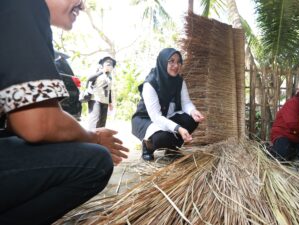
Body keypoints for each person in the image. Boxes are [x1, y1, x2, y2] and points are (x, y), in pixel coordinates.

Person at [0, 0, 129, 224]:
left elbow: (15, 122)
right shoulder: (23, 5)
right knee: (95, 162)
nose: (84, 5)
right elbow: (38, 123)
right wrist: (95, 137)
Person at [131, 48, 205, 161]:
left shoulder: (179, 81)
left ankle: (172, 150)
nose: (176, 65)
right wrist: (178, 128)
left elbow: (186, 103)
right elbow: (156, 117)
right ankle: (148, 146)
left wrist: (193, 111)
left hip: (166, 115)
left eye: (179, 61)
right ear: (163, 62)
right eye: (171, 61)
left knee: (192, 119)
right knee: (162, 137)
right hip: (147, 119)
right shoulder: (150, 84)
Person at [87, 56, 116, 130]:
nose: (109, 65)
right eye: (107, 63)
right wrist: (102, 71)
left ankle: (99, 140)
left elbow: (108, 90)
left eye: (111, 64)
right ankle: (90, 139)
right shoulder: (98, 72)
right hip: (95, 99)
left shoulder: (109, 77)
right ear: (102, 65)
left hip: (105, 101)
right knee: (94, 120)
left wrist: (110, 103)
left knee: (102, 122)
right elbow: (89, 78)